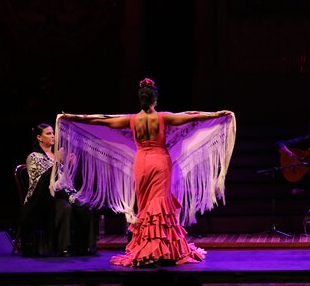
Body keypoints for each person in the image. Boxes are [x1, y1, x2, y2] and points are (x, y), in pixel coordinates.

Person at [63, 77, 232, 266]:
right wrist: (217, 114)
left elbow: (101, 120)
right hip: (159, 162)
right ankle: (160, 250)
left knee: (145, 207)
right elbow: (191, 116)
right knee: (158, 205)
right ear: (155, 99)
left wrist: (73, 117)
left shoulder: (132, 120)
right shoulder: (162, 117)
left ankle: (149, 248)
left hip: (141, 163)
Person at [20, 123, 97, 257]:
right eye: (48, 133)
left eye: (53, 133)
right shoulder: (34, 157)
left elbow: (66, 184)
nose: (53, 136)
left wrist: (69, 165)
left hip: (60, 195)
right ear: (39, 137)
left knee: (86, 204)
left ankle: (86, 247)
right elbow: (45, 183)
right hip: (42, 199)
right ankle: (63, 248)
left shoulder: (57, 155)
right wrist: (58, 161)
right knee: (65, 207)